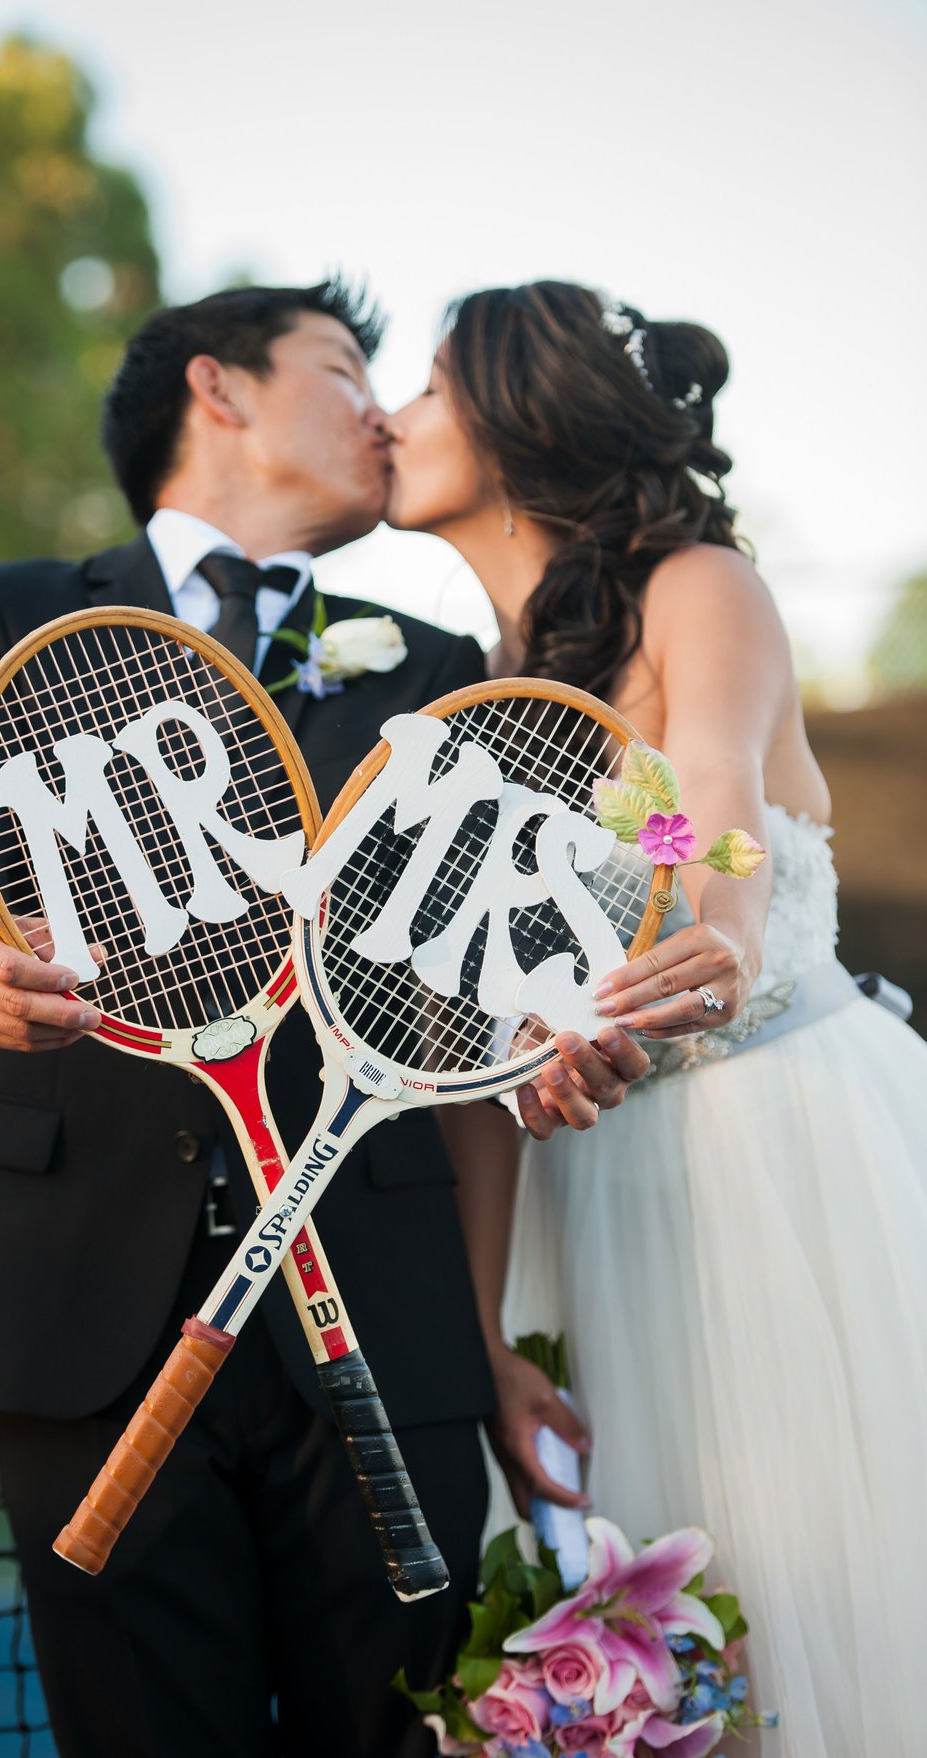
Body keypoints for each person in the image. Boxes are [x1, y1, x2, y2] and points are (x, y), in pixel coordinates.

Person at [0, 278, 648, 1758]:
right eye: (347, 366)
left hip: (386, 1312)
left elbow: (469, 1008)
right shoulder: (4, 607)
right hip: (70, 1303)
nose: (380, 408)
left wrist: (489, 1302)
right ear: (217, 389)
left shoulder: (436, 673)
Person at [383, 277, 927, 1757]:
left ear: (509, 415)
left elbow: (709, 814)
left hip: (778, 1170)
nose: (390, 418)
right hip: (591, 1208)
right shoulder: (476, 696)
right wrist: (493, 1326)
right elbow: (478, 1060)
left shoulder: (696, 586)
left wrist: (721, 929)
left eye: (423, 391)